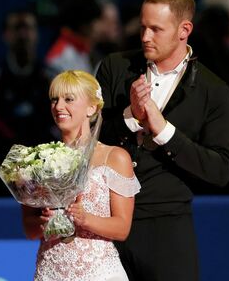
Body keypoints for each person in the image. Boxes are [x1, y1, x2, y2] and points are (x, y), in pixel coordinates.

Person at [97, 0, 229, 281]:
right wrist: (129, 117)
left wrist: (164, 131)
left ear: (184, 29)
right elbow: (90, 141)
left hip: (167, 229)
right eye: (143, 27)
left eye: (156, 29)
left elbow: (221, 170)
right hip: (105, 222)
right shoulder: (115, 67)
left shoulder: (214, 91)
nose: (145, 36)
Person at [22, 70, 140, 281]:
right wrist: (44, 222)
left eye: (68, 99)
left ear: (91, 107)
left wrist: (85, 219)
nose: (58, 107)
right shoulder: (37, 159)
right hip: (50, 272)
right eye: (54, 99)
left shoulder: (114, 157)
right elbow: (29, 229)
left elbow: (122, 228)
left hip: (100, 273)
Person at [0, 10, 55, 196]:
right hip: (3, 168)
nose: (23, 35)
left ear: (37, 34)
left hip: (43, 167)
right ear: (6, 35)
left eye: (28, 28)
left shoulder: (50, 77)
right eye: (17, 28)